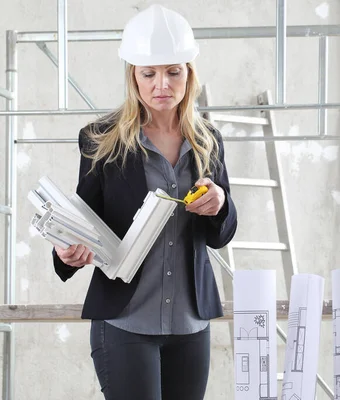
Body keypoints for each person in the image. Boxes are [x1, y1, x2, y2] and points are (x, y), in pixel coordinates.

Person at [51, 4, 237, 399]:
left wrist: (220, 204)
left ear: (189, 72)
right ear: (133, 76)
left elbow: (221, 236)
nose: (162, 85)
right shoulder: (101, 140)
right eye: (149, 74)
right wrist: (67, 250)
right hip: (124, 323)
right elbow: (80, 218)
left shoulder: (209, 142)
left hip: (191, 325)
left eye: (173, 72)